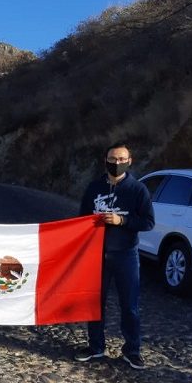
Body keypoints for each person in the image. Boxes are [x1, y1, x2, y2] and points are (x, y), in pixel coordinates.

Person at [74, 142, 154, 369]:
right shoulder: (93, 187)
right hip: (96, 255)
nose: (116, 163)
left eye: (121, 159)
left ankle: (132, 350)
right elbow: (81, 219)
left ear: (129, 161)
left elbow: (148, 222)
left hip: (126, 255)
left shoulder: (137, 189)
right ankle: (95, 346)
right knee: (94, 302)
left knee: (129, 304)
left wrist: (123, 221)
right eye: (112, 159)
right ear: (105, 160)